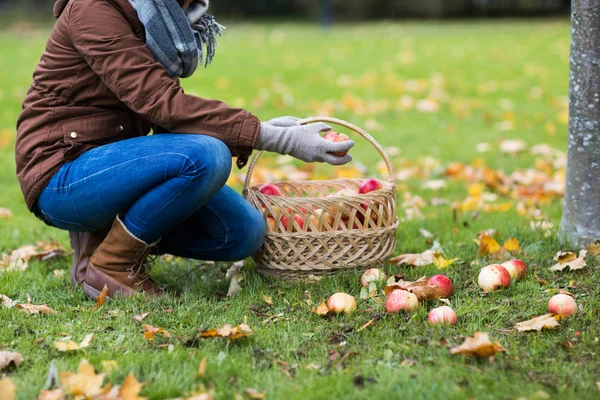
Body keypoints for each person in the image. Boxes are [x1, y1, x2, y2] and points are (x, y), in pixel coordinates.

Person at [15, 0, 354, 299]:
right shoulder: (94, 8)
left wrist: (267, 128)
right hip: (62, 173)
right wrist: (274, 138)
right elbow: (162, 102)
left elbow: (169, 122)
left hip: (118, 165)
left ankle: (103, 239)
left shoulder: (163, 18)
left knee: (243, 232)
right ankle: (111, 263)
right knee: (207, 156)